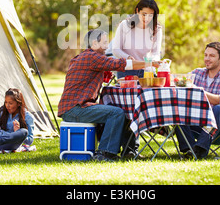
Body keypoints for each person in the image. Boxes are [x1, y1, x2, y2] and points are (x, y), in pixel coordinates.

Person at [58, 29, 159, 161]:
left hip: (73, 108)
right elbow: (121, 64)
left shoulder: (85, 57)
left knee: (118, 110)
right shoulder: (92, 57)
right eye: (105, 42)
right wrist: (149, 63)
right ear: (94, 43)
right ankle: (105, 153)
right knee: (116, 113)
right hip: (76, 109)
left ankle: (126, 150)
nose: (107, 46)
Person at [175, 42, 220, 159]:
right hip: (197, 118)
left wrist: (198, 91)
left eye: (212, 56)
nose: (207, 59)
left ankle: (199, 149)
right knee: (178, 109)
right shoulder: (196, 73)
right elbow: (181, 87)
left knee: (218, 109)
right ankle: (190, 149)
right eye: (205, 55)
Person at [111, 0, 163, 79]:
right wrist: (128, 57)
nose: (147, 18)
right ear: (137, 11)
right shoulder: (124, 25)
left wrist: (152, 62)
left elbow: (156, 53)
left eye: (150, 15)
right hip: (126, 70)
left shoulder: (157, 29)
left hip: (145, 71)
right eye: (144, 14)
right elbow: (116, 49)